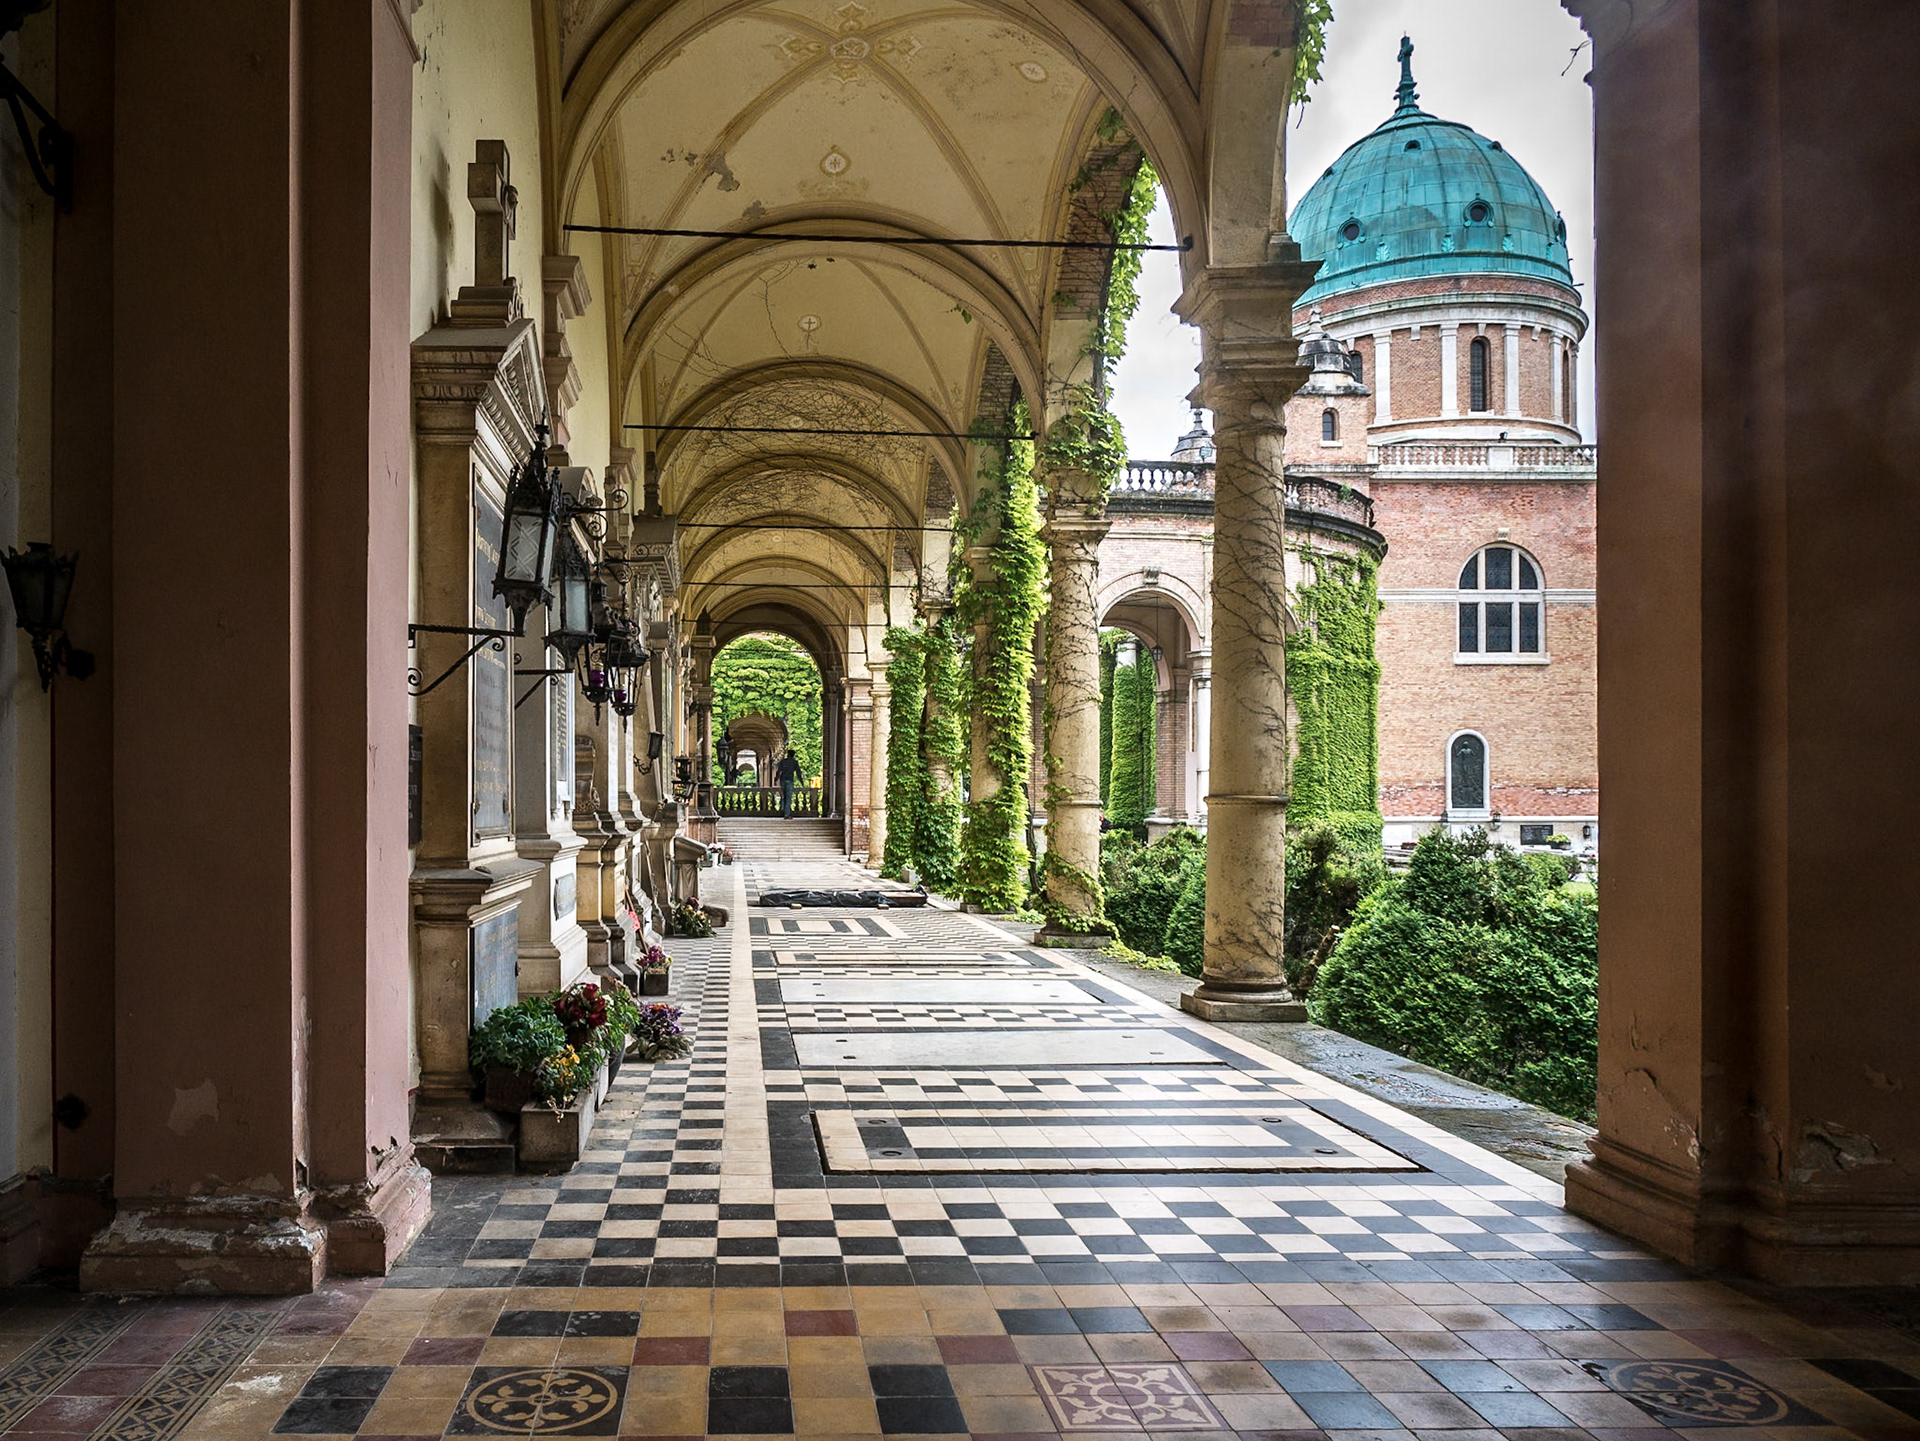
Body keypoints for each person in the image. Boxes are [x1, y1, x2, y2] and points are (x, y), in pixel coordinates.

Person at [775, 751, 803, 818]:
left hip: (782, 780)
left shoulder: (783, 761)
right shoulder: (794, 762)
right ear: (793, 755)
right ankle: (786, 814)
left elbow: (778, 771)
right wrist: (801, 781)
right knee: (788, 797)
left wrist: (776, 779)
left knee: (784, 796)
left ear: (788, 755)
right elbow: (798, 772)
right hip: (789, 780)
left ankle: (783, 809)